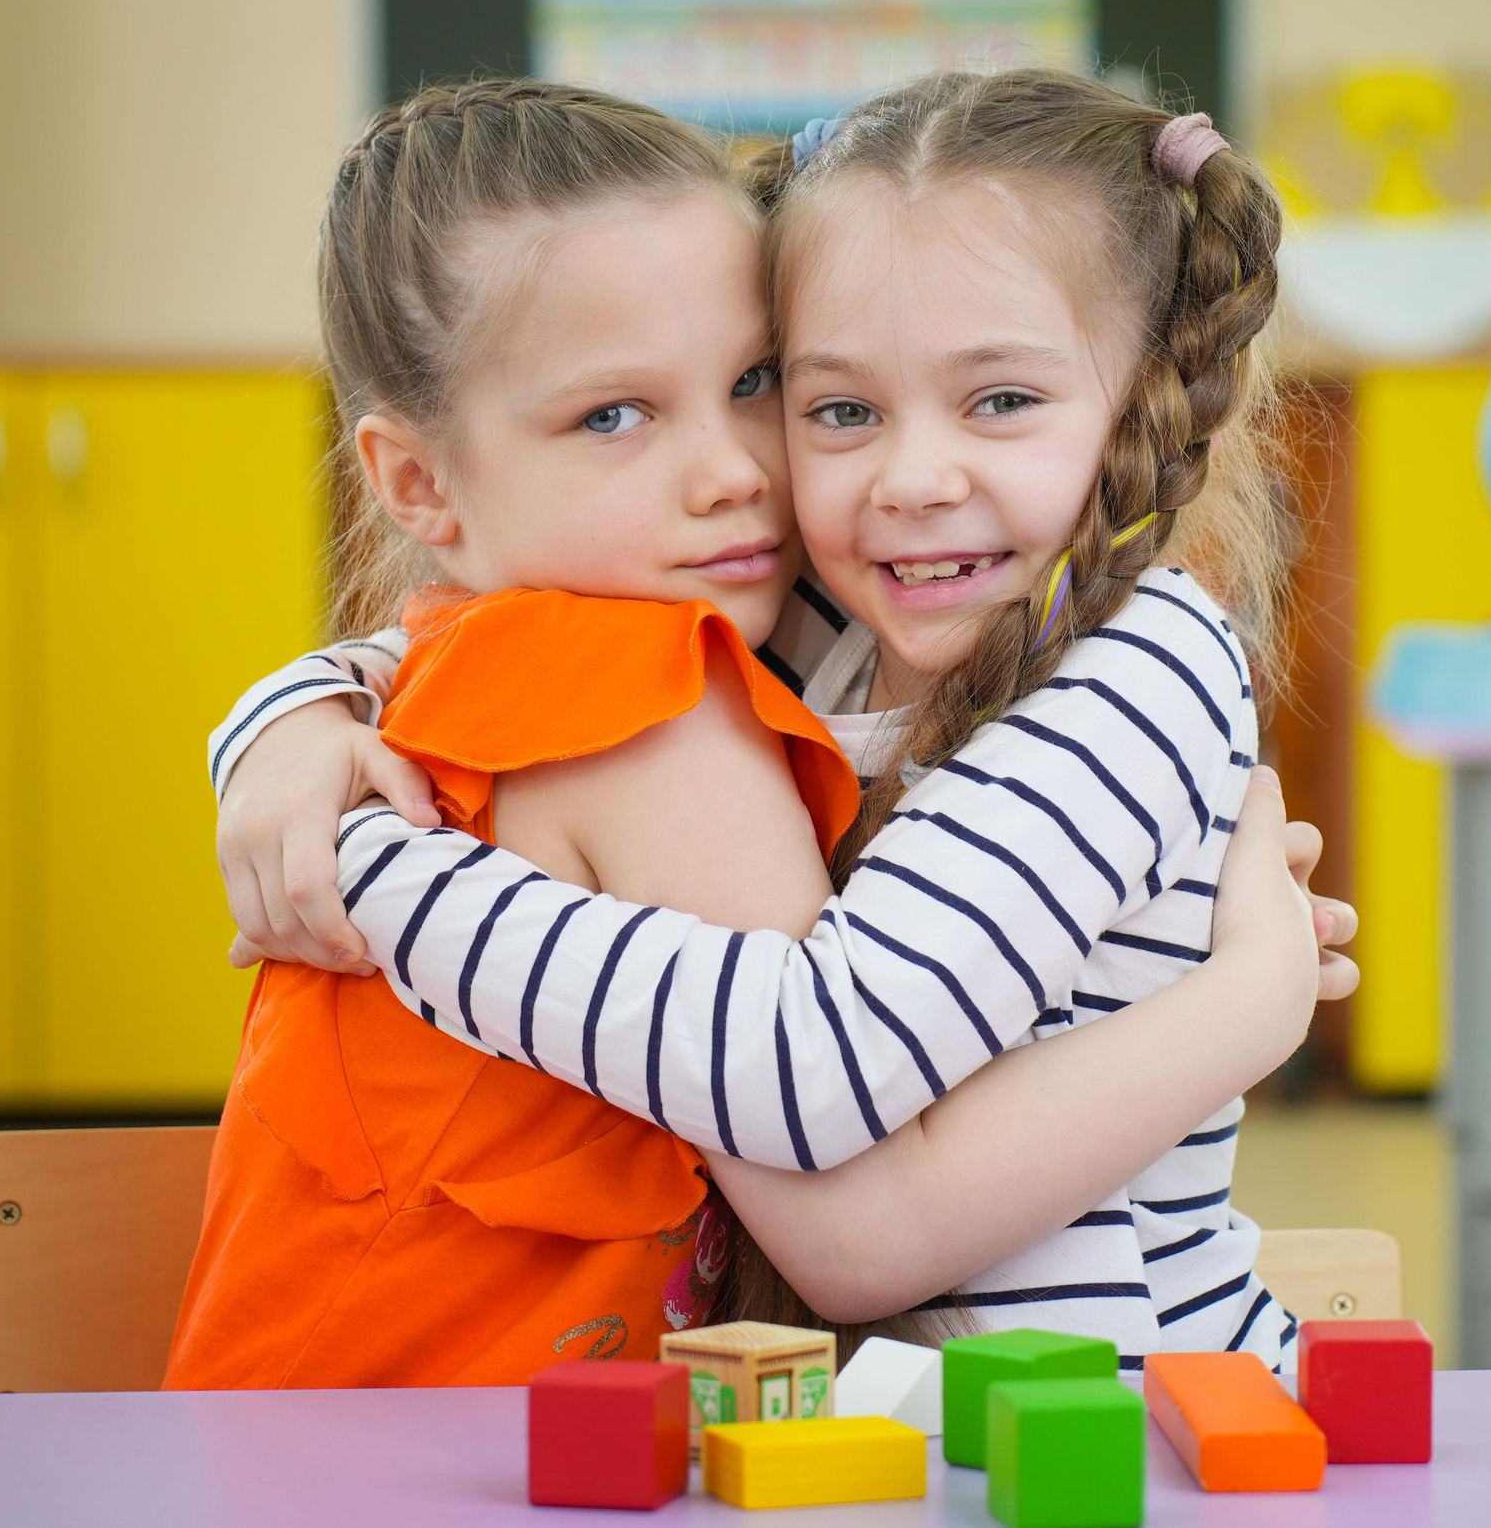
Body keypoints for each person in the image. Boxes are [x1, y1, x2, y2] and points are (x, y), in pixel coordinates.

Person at [165, 77, 1349, 1389]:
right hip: (921, 1421)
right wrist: (292, 723)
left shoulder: (1127, 665)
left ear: (1148, 405)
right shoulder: (813, 618)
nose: (909, 478)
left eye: (1001, 401)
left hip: (1133, 1422)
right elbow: (441, 660)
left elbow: (819, 1075)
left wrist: (379, 871)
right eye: (837, 408)